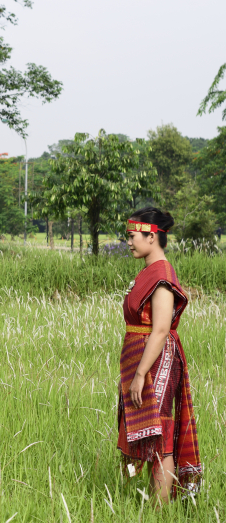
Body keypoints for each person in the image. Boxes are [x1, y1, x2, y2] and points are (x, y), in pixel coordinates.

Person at [117, 207, 202, 504]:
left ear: (151, 237)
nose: (128, 242)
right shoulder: (149, 272)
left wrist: (141, 374)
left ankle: (160, 509)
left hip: (156, 362)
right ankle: (137, 496)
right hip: (140, 359)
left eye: (132, 236)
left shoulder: (162, 276)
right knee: (141, 428)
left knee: (160, 434)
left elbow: (161, 329)